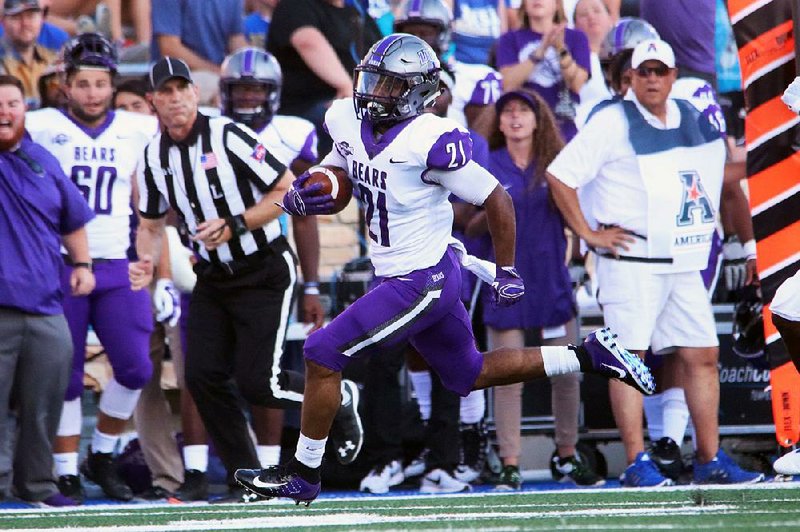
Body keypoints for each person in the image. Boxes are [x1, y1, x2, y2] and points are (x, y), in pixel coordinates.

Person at [233, 33, 655, 505]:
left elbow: (497, 196)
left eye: (390, 85)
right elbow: (340, 169)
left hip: (423, 279)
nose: (375, 93)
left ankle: (303, 475)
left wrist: (507, 268)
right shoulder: (346, 119)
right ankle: (589, 355)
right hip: (402, 274)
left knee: (321, 351)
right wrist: (309, 190)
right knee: (468, 373)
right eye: (372, 81)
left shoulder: (429, 139)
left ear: (415, 91)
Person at [129, 56, 363, 501]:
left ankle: (341, 397)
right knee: (201, 376)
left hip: (263, 270)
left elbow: (287, 189)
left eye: (182, 89)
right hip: (214, 276)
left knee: (262, 383)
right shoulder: (152, 159)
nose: (175, 99)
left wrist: (236, 224)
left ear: (196, 94)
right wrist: (145, 261)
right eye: (166, 92)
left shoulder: (228, 135)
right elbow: (151, 223)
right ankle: (248, 477)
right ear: (152, 101)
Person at [546, 38, 764, 487]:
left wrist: (771, 156)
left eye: (658, 71)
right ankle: (635, 460)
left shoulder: (693, 117)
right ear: (629, 77)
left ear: (672, 75)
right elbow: (560, 175)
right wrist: (588, 233)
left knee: (703, 355)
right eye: (642, 71)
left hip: (684, 257)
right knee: (629, 359)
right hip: (633, 258)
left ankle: (709, 457)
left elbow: (718, 173)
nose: (651, 78)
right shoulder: (611, 121)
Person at [25, 33, 158, 503]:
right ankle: (64, 471)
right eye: (83, 84)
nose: (93, 94)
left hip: (117, 262)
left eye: (100, 84)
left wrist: (154, 258)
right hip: (57, 265)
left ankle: (101, 453)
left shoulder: (137, 128)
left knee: (136, 366)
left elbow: (153, 201)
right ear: (64, 83)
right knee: (64, 373)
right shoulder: (39, 125)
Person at [473, 88, 604, 489]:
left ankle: (567, 455)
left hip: (550, 281)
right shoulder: (487, 163)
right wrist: (487, 212)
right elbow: (467, 221)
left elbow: (577, 211)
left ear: (537, 119)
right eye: (507, 112)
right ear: (498, 122)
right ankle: (510, 462)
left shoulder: (555, 163)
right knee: (507, 376)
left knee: (566, 373)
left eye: (522, 112)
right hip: (507, 281)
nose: (515, 118)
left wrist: (585, 253)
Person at [0, 74, 95, 507]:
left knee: (44, 405)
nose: (4, 111)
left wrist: (83, 264)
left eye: (13, 103)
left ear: (26, 107)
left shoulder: (44, 160)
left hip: (45, 304)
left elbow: (73, 219)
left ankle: (37, 484)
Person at [267, 0, 382, 155]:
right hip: (305, 107)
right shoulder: (294, 6)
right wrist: (348, 88)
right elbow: (308, 42)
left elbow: (382, 53)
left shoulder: (357, 11)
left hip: (356, 103)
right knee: (346, 123)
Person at [394, 0, 502, 145]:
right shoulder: (387, 76)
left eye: (424, 33)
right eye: (409, 33)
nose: (416, 40)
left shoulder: (469, 77)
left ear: (442, 34)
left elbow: (478, 145)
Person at [495, 0, 591, 141]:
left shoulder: (576, 38)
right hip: (522, 129)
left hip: (563, 126)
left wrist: (560, 49)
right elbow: (507, 84)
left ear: (557, 4)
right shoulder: (510, 39)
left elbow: (576, 85)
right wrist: (540, 51)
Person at [151, 0, 248, 73]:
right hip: (180, 74)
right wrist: (220, 73)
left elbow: (236, 40)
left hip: (219, 72)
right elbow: (170, 49)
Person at [0, 0, 59, 109]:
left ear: (41, 19)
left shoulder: (54, 58)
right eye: (16, 17)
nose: (25, 23)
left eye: (31, 16)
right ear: (3, 21)